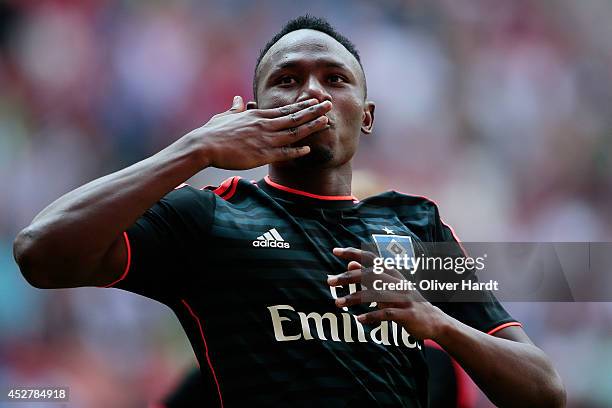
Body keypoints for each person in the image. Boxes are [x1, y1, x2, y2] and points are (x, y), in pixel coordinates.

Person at [14, 15, 565, 407]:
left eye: (334, 78)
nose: (311, 92)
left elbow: (544, 391)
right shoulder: (210, 219)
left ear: (366, 116)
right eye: (287, 79)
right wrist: (195, 149)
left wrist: (437, 321)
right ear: (251, 111)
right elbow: (40, 252)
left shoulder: (419, 227)